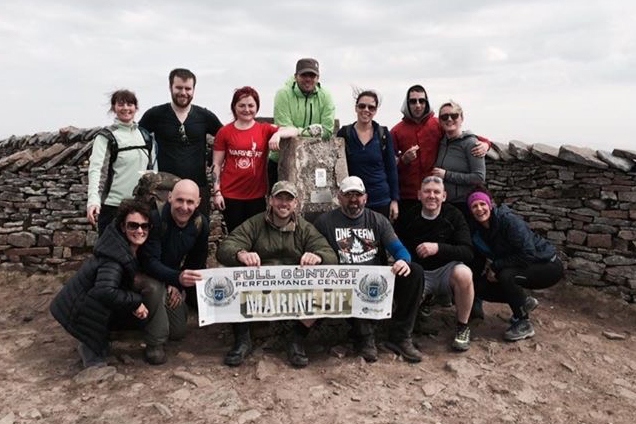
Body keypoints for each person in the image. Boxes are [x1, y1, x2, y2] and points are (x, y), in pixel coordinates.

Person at [216, 181, 337, 368]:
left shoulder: (305, 228)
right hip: (260, 287)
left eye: (289, 199)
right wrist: (242, 254)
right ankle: (242, 339)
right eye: (279, 198)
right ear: (270, 201)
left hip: (295, 288)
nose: (284, 203)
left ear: (296, 203)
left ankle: (297, 338)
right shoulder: (255, 224)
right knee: (230, 276)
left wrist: (318, 257)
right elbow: (225, 247)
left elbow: (330, 256)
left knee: (326, 289)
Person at [313, 176, 424, 363]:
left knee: (415, 272)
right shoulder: (325, 222)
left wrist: (403, 261)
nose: (354, 200)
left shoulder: (377, 220)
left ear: (366, 197)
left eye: (358, 195)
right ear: (339, 197)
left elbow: (398, 248)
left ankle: (401, 336)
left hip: (377, 278)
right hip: (344, 282)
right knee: (356, 277)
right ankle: (364, 337)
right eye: (349, 195)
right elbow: (314, 248)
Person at [50, 199, 156, 367]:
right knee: (114, 300)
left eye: (144, 226)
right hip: (79, 309)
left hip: (83, 304)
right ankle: (90, 347)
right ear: (123, 227)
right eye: (133, 226)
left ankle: (100, 340)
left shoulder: (124, 247)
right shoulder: (114, 257)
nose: (140, 230)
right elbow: (105, 290)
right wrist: (135, 303)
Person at [467, 188, 564, 341]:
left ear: (490, 205)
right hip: (521, 266)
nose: (479, 209)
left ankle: (523, 322)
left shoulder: (508, 221)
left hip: (547, 265)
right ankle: (523, 301)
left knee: (505, 275)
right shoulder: (477, 231)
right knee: (481, 287)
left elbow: (528, 253)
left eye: (482, 204)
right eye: (474, 206)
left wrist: (496, 266)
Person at [394, 176, 475, 351]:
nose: (432, 196)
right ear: (419, 195)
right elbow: (398, 246)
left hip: (446, 271)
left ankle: (462, 327)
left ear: (444, 196)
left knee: (464, 273)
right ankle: (414, 318)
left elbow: (468, 252)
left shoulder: (454, 215)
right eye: (427, 192)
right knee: (404, 281)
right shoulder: (409, 216)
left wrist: (438, 248)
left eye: (436, 192)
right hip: (420, 274)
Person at [138, 179, 210, 362]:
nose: (184, 207)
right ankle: (155, 343)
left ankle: (158, 316)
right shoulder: (154, 220)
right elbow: (149, 262)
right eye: (179, 200)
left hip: (172, 278)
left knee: (177, 331)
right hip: (145, 276)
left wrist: (181, 286)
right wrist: (176, 278)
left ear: (198, 203)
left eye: (190, 202)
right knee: (154, 288)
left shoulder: (200, 224)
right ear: (170, 198)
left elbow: (197, 261)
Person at [212, 86, 299, 233]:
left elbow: (294, 130)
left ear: (257, 107)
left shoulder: (264, 129)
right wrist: (217, 192)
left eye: (251, 105)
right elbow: (216, 164)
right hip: (231, 195)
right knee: (235, 235)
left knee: (256, 235)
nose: (247, 109)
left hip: (256, 195)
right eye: (242, 105)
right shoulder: (225, 132)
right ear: (234, 107)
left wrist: (278, 135)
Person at [391, 84, 489, 212]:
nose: (418, 105)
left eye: (422, 101)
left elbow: (462, 136)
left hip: (435, 195)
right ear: (407, 103)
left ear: (427, 102)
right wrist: (404, 160)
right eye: (413, 101)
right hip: (408, 195)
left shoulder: (438, 123)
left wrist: (486, 143)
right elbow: (389, 166)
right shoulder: (396, 131)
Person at [139, 68, 223, 215]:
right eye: (178, 87)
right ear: (170, 87)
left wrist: (210, 158)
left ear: (193, 90)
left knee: (199, 231)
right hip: (164, 189)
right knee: (162, 233)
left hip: (198, 187)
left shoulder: (204, 116)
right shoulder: (155, 115)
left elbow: (225, 138)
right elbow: (136, 140)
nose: (183, 92)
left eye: (188, 88)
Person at [87, 89, 157, 235]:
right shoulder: (106, 137)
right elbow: (97, 170)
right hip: (113, 207)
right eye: (121, 104)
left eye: (130, 104)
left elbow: (153, 171)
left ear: (136, 108)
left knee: (141, 254)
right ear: (114, 108)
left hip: (141, 207)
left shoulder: (146, 136)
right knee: (110, 254)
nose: (126, 108)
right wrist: (93, 201)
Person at [270, 58, 336, 186]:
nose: (308, 79)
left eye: (312, 75)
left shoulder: (326, 96)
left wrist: (297, 131)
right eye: (304, 75)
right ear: (295, 76)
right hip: (281, 159)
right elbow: (285, 129)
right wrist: (312, 131)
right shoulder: (283, 94)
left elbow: (327, 130)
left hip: (316, 159)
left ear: (318, 77)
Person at [337, 89, 399, 221]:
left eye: (371, 107)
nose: (366, 110)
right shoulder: (345, 133)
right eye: (362, 106)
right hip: (353, 199)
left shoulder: (382, 134)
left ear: (375, 111)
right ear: (356, 108)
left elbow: (391, 168)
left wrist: (394, 200)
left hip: (380, 199)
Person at [431, 100, 486, 217]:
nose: (449, 119)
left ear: (461, 118)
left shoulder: (471, 143)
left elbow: (479, 177)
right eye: (444, 117)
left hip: (464, 204)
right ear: (440, 121)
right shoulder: (442, 142)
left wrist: (446, 175)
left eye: (454, 115)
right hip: (444, 204)